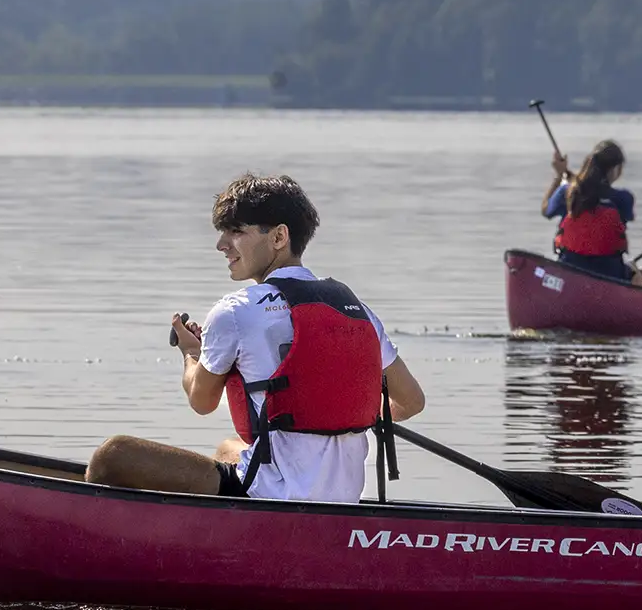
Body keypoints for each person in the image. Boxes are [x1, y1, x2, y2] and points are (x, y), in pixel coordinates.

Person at [86, 173, 426, 500]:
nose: (221, 245)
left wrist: (191, 354)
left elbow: (201, 401)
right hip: (342, 496)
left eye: (235, 232)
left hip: (270, 495)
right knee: (227, 448)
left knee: (112, 455)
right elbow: (412, 402)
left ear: (278, 237)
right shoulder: (357, 310)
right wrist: (343, 416)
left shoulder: (235, 311)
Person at [542, 139, 635, 281]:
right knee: (634, 272)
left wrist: (559, 176)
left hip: (569, 270)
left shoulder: (567, 193)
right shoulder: (624, 199)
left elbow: (546, 210)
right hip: (609, 274)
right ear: (616, 169)